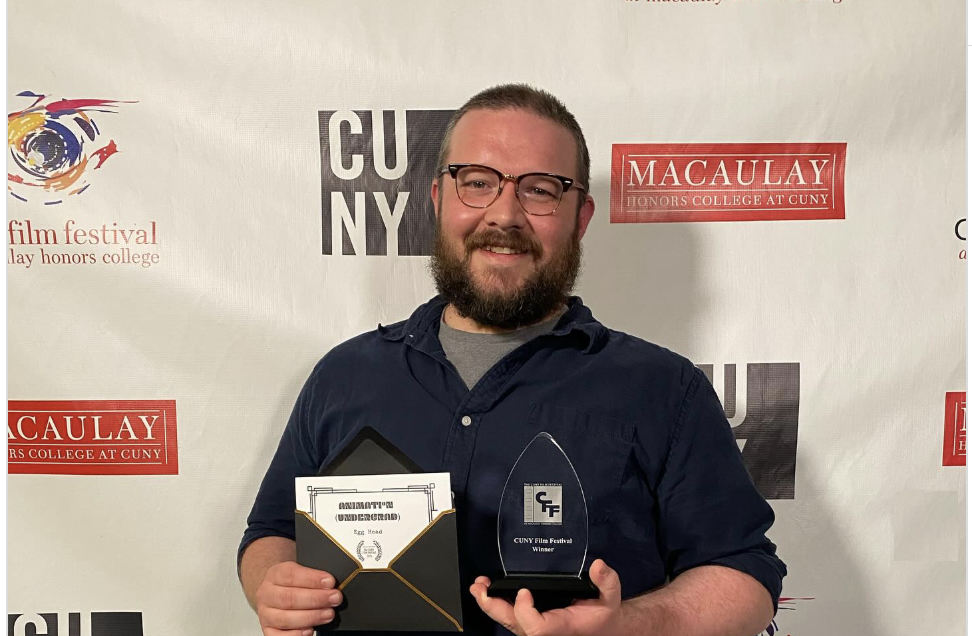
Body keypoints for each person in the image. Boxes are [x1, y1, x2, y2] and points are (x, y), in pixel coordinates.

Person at [238, 84, 786, 636]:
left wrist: (623, 627)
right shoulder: (344, 376)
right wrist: (274, 583)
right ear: (438, 199)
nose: (504, 214)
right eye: (477, 182)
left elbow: (745, 575)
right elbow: (272, 532)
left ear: (581, 217)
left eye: (540, 190)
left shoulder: (664, 389)